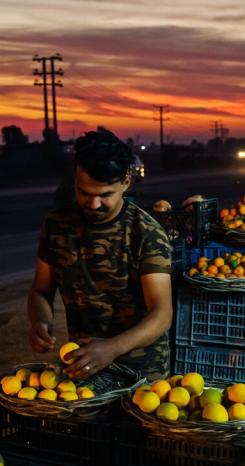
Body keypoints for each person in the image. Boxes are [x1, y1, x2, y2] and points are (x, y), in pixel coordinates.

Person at [28, 127, 173, 380]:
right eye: (84, 193)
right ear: (75, 178)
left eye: (105, 195)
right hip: (83, 367)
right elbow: (41, 289)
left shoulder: (146, 233)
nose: (94, 204)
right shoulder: (57, 225)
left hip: (142, 377)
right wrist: (40, 322)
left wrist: (112, 348)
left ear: (126, 182)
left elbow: (161, 314)